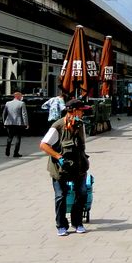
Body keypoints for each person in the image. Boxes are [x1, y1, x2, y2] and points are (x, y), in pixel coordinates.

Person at [39, 99, 90, 236]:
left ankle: (77, 222)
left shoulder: (80, 125)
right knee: (61, 196)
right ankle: (61, 225)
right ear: (73, 111)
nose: (83, 113)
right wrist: (58, 157)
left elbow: (81, 145)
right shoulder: (58, 126)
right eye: (81, 110)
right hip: (60, 168)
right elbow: (43, 145)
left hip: (78, 167)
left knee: (82, 194)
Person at [1, 90, 29, 157]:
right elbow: (24, 114)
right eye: (21, 96)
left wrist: (4, 122)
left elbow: (4, 114)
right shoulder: (22, 103)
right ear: (18, 96)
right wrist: (26, 123)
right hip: (18, 123)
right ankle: (15, 153)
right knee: (18, 138)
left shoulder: (8, 103)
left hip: (9, 123)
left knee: (10, 137)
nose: (22, 97)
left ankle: (7, 151)